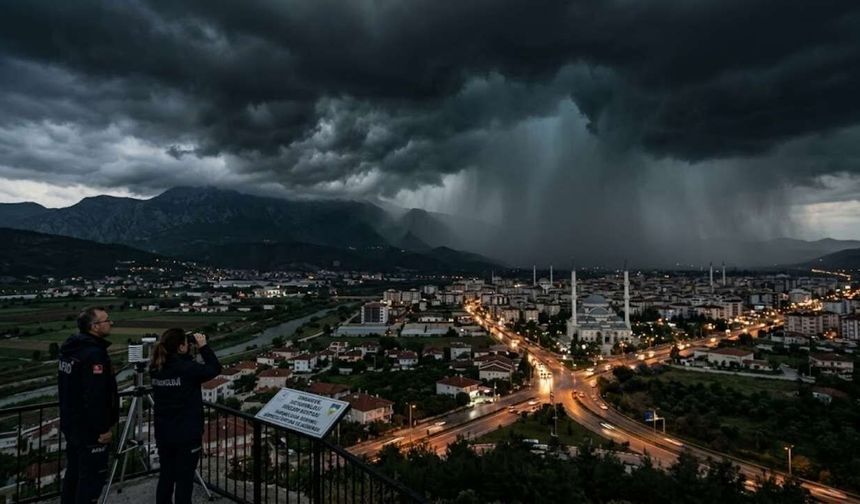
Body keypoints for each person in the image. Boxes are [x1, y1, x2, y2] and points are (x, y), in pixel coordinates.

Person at [150, 328, 222, 504]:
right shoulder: (187, 368)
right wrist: (203, 347)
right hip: (186, 433)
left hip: (164, 432)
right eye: (186, 344)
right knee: (184, 480)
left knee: (166, 476)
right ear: (182, 347)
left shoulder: (156, 366)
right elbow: (214, 368)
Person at [58, 306, 119, 504]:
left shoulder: (70, 350)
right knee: (91, 480)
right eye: (106, 320)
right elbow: (95, 396)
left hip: (71, 423)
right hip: (89, 430)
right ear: (94, 326)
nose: (110, 323)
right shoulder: (94, 355)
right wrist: (102, 429)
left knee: (74, 474)